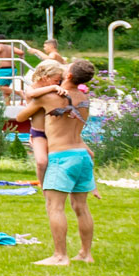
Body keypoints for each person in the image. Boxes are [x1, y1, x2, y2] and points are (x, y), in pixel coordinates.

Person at [26, 59, 97, 265]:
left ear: (68, 76)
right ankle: (86, 253)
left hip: (62, 157)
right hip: (82, 155)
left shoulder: (50, 97)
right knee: (81, 207)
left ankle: (60, 256)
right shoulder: (84, 97)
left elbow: (22, 115)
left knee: (55, 206)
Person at [10, 61, 67, 189]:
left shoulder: (54, 89)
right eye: (56, 80)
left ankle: (55, 186)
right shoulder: (33, 89)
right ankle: (44, 187)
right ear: (46, 78)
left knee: (57, 162)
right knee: (41, 162)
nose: (58, 83)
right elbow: (30, 95)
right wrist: (53, 88)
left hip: (54, 132)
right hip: (39, 132)